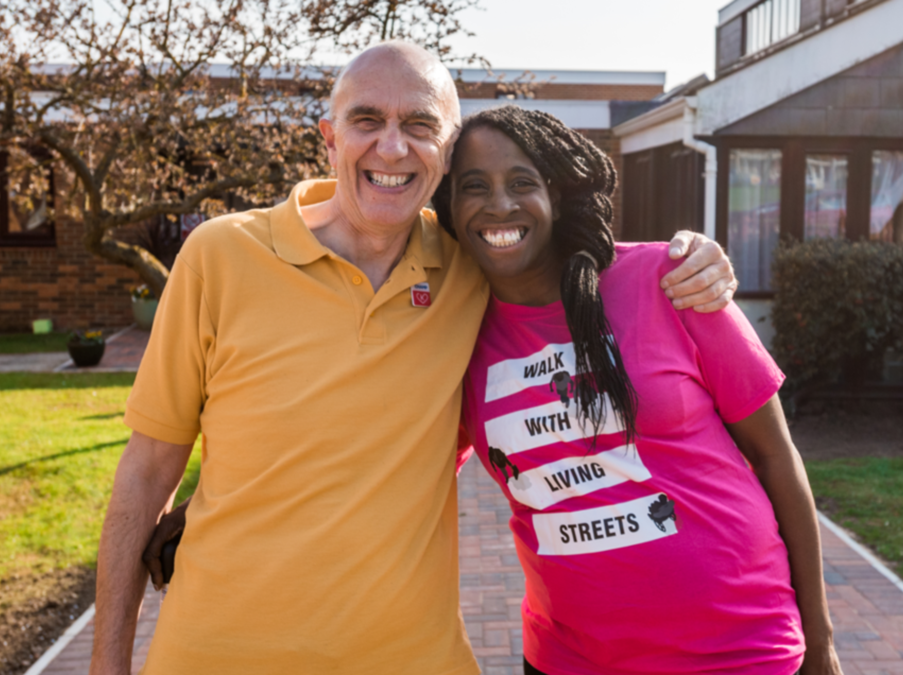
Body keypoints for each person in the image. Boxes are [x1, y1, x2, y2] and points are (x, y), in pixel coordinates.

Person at [91, 42, 736, 675]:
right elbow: (147, 468)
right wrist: (107, 663)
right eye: (367, 120)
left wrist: (689, 258)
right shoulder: (219, 256)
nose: (392, 148)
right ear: (329, 138)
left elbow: (566, 255)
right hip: (216, 654)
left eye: (420, 125)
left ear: (448, 152)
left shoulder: (470, 269)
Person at [431, 105, 844, 675]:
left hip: (741, 649)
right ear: (448, 208)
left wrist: (819, 637)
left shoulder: (668, 281)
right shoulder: (455, 335)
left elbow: (775, 455)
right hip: (570, 658)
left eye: (521, 182)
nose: (500, 204)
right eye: (474, 186)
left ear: (556, 192)